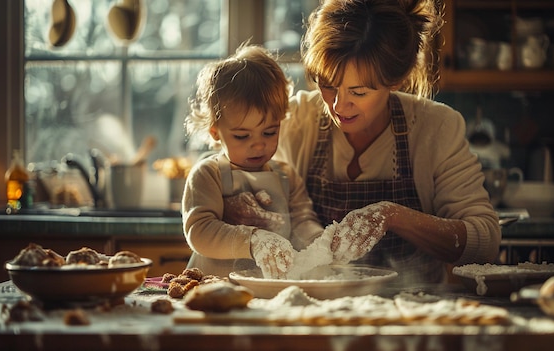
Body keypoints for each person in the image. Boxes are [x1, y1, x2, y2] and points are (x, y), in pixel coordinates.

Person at [223, 0, 501, 285]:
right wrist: (239, 202)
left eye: (358, 91)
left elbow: (484, 242)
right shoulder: (295, 121)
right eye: (328, 85)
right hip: (312, 309)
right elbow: (227, 173)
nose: (339, 105)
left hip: (414, 309)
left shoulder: (435, 128)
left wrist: (392, 216)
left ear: (396, 79)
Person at [182, 43, 329, 279]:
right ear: (215, 132)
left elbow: (303, 221)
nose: (258, 144)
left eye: (269, 132)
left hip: (268, 290)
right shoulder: (209, 174)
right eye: (242, 136)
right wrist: (252, 239)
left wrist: (321, 243)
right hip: (213, 288)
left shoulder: (286, 176)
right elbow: (199, 231)